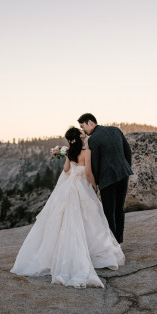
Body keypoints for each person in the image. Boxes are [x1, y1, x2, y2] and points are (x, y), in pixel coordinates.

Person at [10, 127, 124, 288]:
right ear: (79, 137)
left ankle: (59, 255)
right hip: (82, 187)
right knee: (90, 218)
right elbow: (89, 172)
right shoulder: (87, 151)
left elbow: (66, 170)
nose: (83, 132)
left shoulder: (70, 152)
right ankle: (90, 253)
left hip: (69, 186)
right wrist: (95, 186)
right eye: (81, 132)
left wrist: (72, 167)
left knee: (64, 219)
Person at [78, 113, 132, 244]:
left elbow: (95, 164)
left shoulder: (93, 139)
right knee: (119, 208)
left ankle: (114, 245)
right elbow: (128, 151)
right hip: (123, 174)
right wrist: (125, 168)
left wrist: (95, 184)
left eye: (83, 126)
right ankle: (119, 240)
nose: (83, 129)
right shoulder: (115, 129)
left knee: (109, 212)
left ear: (90, 122)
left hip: (107, 180)